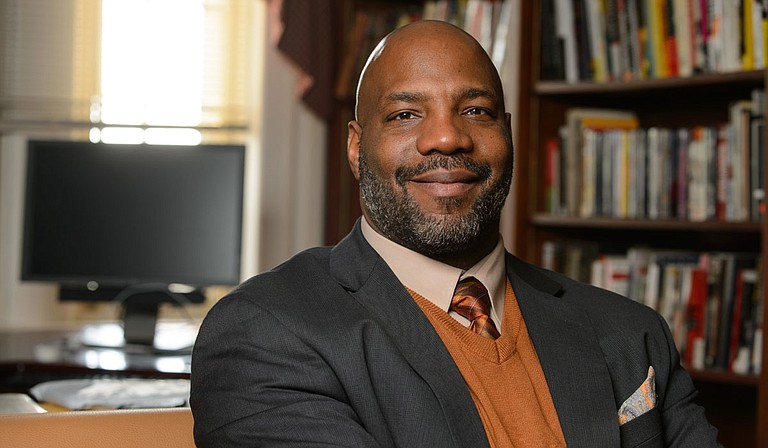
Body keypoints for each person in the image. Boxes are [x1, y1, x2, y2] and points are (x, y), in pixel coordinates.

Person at [190, 20, 721, 447]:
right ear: (356, 148)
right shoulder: (266, 332)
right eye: (404, 114)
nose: (446, 136)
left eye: (475, 110)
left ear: (507, 133)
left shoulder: (632, 332)